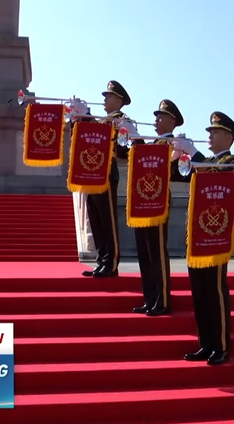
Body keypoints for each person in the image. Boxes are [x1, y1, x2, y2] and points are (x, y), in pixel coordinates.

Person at [171, 112, 234, 365]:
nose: (209, 136)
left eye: (214, 132)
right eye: (209, 132)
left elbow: (217, 174)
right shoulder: (205, 161)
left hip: (216, 236)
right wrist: (178, 154)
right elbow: (177, 175)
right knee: (199, 294)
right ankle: (206, 343)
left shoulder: (233, 161)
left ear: (228, 136)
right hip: (198, 235)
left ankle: (221, 345)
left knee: (215, 292)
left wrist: (195, 155)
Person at [129, 99, 184, 316]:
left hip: (158, 202)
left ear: (172, 121)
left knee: (157, 251)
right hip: (142, 200)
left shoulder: (171, 144)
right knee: (144, 251)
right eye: (156, 116)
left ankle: (162, 300)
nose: (156, 120)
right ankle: (150, 298)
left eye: (161, 117)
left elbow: (167, 168)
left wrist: (136, 136)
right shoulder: (154, 144)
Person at [81, 80, 133, 279]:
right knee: (96, 220)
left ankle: (111, 263)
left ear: (119, 100)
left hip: (106, 174)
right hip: (92, 174)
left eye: (109, 96)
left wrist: (87, 117)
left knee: (107, 220)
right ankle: (101, 260)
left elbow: (121, 150)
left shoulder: (120, 120)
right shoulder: (104, 121)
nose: (104, 99)